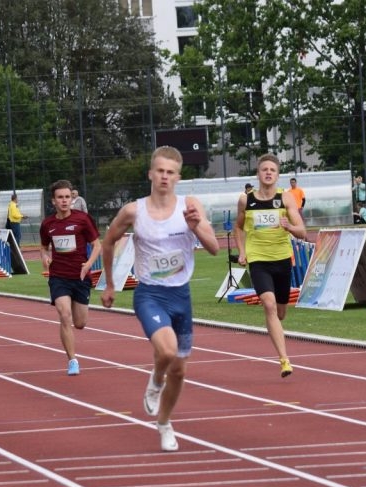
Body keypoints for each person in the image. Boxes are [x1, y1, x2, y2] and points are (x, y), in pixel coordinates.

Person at [100, 146, 219, 452]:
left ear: (178, 177)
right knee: (166, 352)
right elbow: (109, 241)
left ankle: (164, 424)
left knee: (179, 371)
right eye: (160, 171)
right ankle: (155, 381)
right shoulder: (133, 211)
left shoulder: (190, 205)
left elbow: (214, 247)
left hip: (182, 295)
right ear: (150, 174)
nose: (165, 177)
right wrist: (110, 284)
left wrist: (196, 227)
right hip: (150, 294)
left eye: (171, 172)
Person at [235, 153, 309, 378]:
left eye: (272, 170)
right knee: (268, 305)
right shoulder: (245, 200)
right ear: (258, 173)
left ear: (277, 175)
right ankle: (284, 360)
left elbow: (303, 232)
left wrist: (289, 227)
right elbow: (238, 227)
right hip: (259, 260)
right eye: (264, 169)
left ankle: (277, 325)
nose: (268, 173)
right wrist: (242, 251)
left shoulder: (286, 199)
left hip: (282, 259)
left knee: (280, 312)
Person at [40, 180, 102, 376]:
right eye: (60, 197)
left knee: (80, 323)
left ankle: (73, 351)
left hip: (80, 276)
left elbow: (97, 245)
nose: (64, 201)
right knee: (64, 315)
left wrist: (88, 264)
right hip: (59, 276)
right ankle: (72, 360)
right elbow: (43, 247)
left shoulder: (83, 219)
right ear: (53, 201)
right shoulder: (47, 224)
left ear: (72, 199)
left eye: (67, 197)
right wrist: (45, 256)